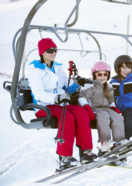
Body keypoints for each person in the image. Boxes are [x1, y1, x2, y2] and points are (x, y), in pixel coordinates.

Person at [28, 38, 97, 172]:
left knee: (81, 112)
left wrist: (75, 84)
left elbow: (66, 89)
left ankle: (85, 152)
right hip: (44, 106)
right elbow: (38, 94)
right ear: (42, 52)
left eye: (55, 50)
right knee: (68, 116)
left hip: (60, 105)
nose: (53, 53)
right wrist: (56, 98)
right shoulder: (35, 70)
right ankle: (64, 156)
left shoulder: (58, 68)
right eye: (50, 51)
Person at [78, 61, 127, 161]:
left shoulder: (108, 87)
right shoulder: (90, 86)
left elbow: (111, 100)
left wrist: (113, 107)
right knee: (103, 116)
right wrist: (86, 106)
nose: (102, 77)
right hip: (94, 109)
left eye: (105, 74)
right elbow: (82, 97)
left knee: (118, 117)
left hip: (106, 108)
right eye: (99, 74)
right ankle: (105, 142)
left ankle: (119, 141)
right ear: (94, 74)